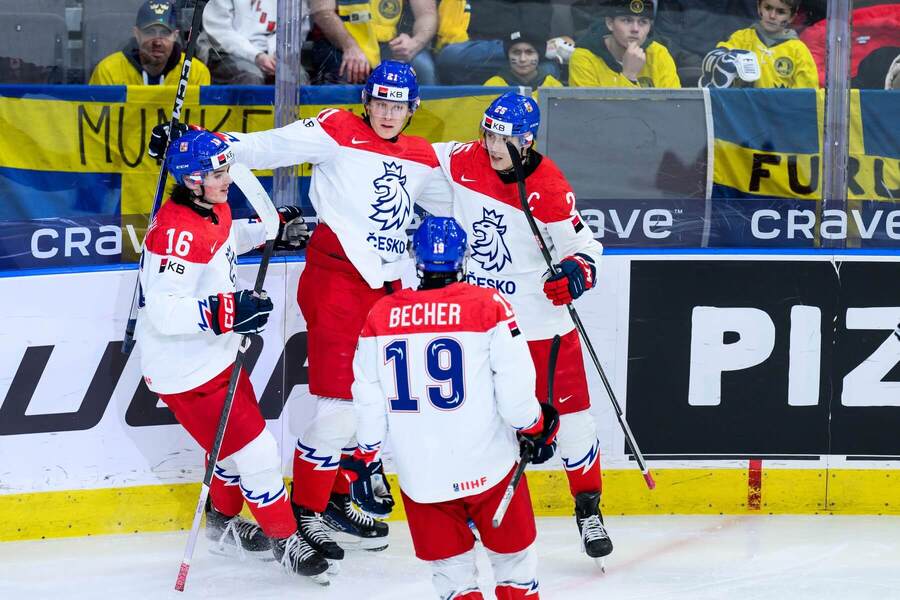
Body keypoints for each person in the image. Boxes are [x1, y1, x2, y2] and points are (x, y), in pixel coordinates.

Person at [149, 61, 441, 564]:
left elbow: (470, 199)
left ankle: (335, 493)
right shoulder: (336, 129)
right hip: (337, 283)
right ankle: (308, 509)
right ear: (365, 100)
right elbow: (266, 146)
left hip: (391, 290)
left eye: (399, 106)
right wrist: (192, 140)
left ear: (412, 109)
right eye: (380, 103)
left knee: (371, 404)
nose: (388, 114)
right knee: (338, 406)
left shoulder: (423, 156)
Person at [420, 92, 614, 561]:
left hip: (543, 328)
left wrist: (575, 274)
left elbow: (586, 248)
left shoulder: (548, 185)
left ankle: (588, 508)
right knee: (482, 423)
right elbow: (412, 162)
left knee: (574, 426)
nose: (491, 144)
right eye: (487, 132)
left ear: (525, 141)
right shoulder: (463, 159)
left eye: (501, 137)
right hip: (483, 326)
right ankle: (470, 506)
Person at [135, 129, 325, 581]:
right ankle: (285, 540)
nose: (227, 180)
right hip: (185, 369)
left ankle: (222, 523)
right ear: (193, 179)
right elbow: (164, 310)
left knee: (227, 450)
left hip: (214, 356)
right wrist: (229, 309)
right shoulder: (176, 234)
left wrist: (265, 228)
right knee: (257, 450)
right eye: (218, 173)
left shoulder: (208, 206)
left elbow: (221, 240)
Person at [345, 216, 559, 600]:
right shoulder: (488, 305)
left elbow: (369, 400)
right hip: (488, 467)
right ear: (463, 258)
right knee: (515, 568)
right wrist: (536, 426)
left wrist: (366, 454)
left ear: (416, 258)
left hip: (422, 475)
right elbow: (515, 398)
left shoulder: (380, 316)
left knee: (453, 579)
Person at [308, 0, 437, 84]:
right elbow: (322, 12)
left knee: (422, 68)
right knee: (347, 72)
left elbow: (427, 14)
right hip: (340, 42)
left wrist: (414, 43)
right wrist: (350, 47)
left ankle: (422, 124)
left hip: (390, 42)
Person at [435, 0, 561, 85]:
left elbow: (536, 31)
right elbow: (450, 33)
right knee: (450, 55)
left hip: (520, 49)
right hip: (475, 52)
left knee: (548, 70)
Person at [89, 0, 211, 86]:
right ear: (137, 33)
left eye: (164, 33)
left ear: (175, 35)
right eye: (150, 32)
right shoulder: (108, 72)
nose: (157, 41)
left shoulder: (195, 73)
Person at [701, 0, 819, 88]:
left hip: (778, 117)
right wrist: (720, 56)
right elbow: (720, 55)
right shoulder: (742, 38)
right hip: (744, 113)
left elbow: (806, 96)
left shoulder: (798, 51)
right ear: (759, 8)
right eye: (768, 8)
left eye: (781, 12)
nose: (772, 16)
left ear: (792, 17)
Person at [568, 0, 681, 88]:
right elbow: (590, 114)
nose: (635, 29)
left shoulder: (658, 54)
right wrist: (629, 77)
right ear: (610, 23)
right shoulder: (583, 58)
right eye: (627, 20)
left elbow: (673, 108)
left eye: (643, 22)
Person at [202, 0, 305, 85]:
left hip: (271, 54)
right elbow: (221, 32)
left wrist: (277, 54)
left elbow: (293, 30)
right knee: (250, 77)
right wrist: (256, 55)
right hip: (227, 54)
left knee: (296, 75)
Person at [484, 31, 564, 95]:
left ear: (539, 55)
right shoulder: (492, 87)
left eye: (529, 52)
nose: (522, 59)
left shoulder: (554, 87)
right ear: (508, 55)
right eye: (516, 52)